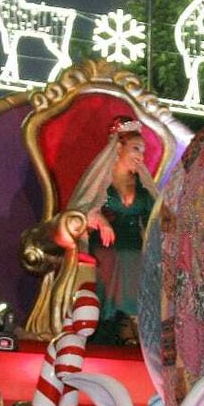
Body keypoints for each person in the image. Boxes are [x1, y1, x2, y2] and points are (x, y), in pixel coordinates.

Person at [68, 116, 158, 343]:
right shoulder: (102, 182)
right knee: (114, 256)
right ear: (118, 148)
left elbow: (155, 218)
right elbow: (81, 208)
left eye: (143, 151)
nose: (140, 156)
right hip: (104, 244)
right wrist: (97, 216)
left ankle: (132, 322)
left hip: (134, 244)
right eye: (135, 148)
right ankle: (110, 323)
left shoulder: (142, 189)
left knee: (141, 259)